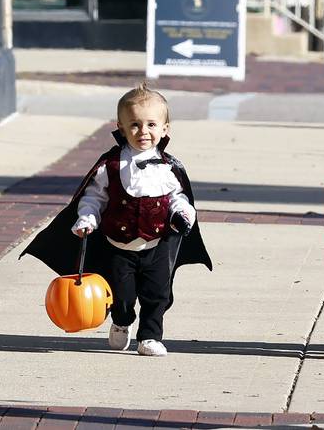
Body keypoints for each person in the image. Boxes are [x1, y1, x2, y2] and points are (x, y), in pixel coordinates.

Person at [21, 83, 212, 356]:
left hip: (157, 244)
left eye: (151, 124)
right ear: (121, 128)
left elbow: (178, 197)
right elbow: (94, 198)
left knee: (157, 293)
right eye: (134, 124)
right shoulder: (110, 165)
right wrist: (87, 218)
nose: (143, 131)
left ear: (165, 128)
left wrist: (182, 214)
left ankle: (150, 336)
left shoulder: (170, 167)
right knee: (121, 295)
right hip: (118, 245)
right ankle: (122, 322)